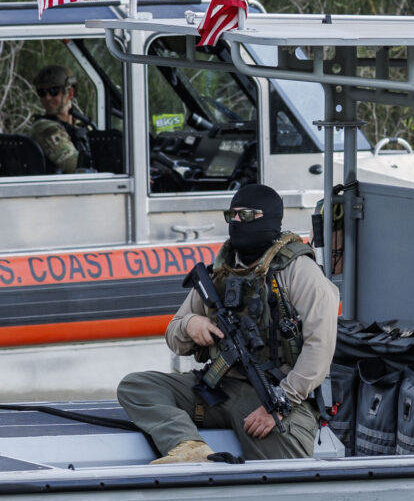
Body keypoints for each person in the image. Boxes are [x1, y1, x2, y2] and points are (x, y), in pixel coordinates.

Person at [117, 184, 340, 463]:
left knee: (286, 474)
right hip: (219, 389)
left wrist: (280, 404)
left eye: (245, 215)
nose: (236, 222)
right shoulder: (221, 272)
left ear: (269, 218)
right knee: (136, 386)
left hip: (274, 395)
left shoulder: (298, 271)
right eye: (231, 215)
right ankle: (188, 447)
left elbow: (320, 347)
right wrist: (190, 325)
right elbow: (174, 335)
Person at [24, 64, 91, 173]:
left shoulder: (81, 125)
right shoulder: (44, 129)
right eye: (42, 92)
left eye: (54, 91)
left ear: (70, 93)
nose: (47, 98)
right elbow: (75, 166)